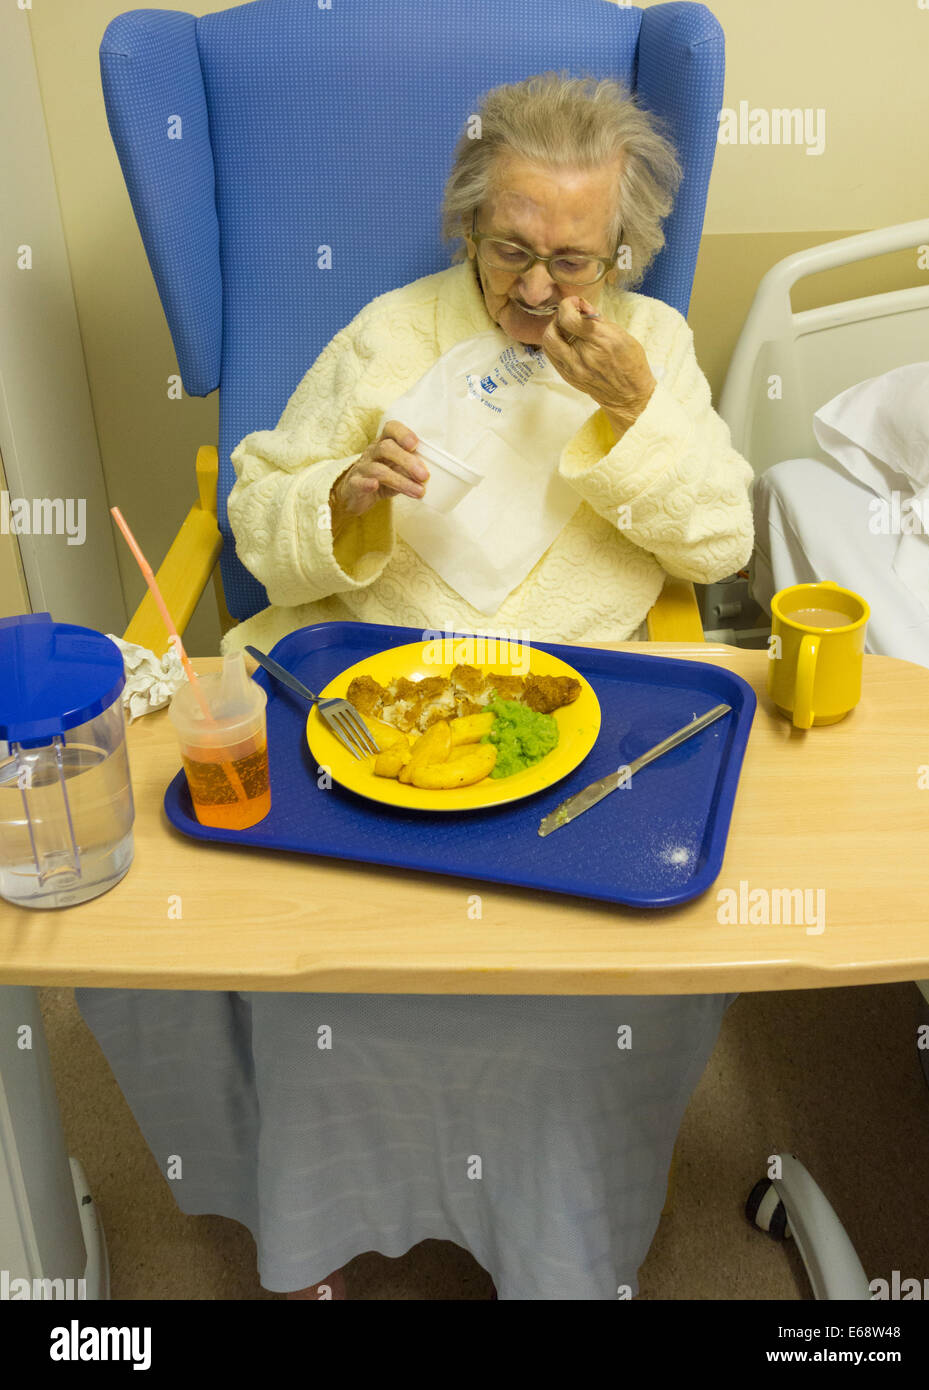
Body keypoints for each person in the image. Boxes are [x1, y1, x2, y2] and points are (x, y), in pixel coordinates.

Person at [76, 73, 752, 1301]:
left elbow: (717, 547)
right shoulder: (390, 332)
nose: (541, 290)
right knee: (300, 984)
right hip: (367, 717)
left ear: (626, 248)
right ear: (467, 226)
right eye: (511, 249)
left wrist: (639, 417)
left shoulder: (656, 350)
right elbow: (256, 508)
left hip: (579, 729)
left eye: (576, 258)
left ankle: (558, 1252)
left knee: (575, 1012)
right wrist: (339, 496)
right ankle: (313, 1230)